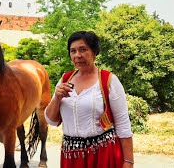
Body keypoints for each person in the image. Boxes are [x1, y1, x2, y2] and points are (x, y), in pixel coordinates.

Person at [45, 31, 134, 168]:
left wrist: (128, 161)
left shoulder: (108, 80)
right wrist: (57, 97)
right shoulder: (65, 79)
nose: (77, 55)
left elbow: (123, 124)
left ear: (94, 52)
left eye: (83, 49)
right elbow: (51, 120)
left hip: (103, 155)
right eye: (73, 51)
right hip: (72, 157)